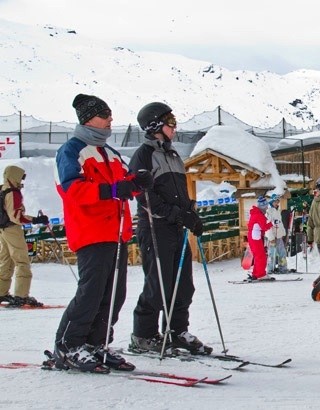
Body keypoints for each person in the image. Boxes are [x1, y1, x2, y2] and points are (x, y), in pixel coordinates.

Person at [53, 94, 151, 373]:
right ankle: (68, 345)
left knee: (114, 294)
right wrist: (112, 190)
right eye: (105, 114)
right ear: (88, 119)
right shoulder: (73, 151)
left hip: (116, 232)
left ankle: (96, 344)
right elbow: (73, 190)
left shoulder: (110, 153)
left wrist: (137, 182)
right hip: (91, 231)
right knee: (91, 292)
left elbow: (123, 185)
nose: (110, 119)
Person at [127, 102, 210, 357]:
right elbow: (144, 196)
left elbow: (181, 194)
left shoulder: (173, 156)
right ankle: (144, 334)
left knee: (183, 285)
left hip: (176, 227)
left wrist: (190, 214)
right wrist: (176, 214)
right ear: (154, 126)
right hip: (156, 227)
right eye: (170, 122)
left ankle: (176, 331)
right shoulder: (143, 155)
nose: (174, 127)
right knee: (158, 284)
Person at [0, 165, 49, 307]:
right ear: (14, 175)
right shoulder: (13, 193)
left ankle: (1, 291)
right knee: (22, 261)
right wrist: (35, 220)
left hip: (3, 230)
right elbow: (16, 216)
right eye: (21, 177)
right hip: (12, 229)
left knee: (6, 261)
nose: (22, 180)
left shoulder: (2, 189)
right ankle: (21, 295)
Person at [247, 196, 273, 280]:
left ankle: (256, 273)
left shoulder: (256, 213)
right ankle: (261, 274)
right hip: (255, 237)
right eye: (266, 207)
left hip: (254, 236)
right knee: (261, 256)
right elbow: (264, 227)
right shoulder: (258, 214)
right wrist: (271, 223)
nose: (266, 209)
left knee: (258, 256)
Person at [265, 194, 288, 274]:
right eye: (275, 201)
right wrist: (271, 237)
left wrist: (283, 233)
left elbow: (279, 223)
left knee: (282, 252)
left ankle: (283, 268)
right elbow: (267, 225)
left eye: (278, 201)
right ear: (272, 201)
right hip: (272, 236)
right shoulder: (269, 211)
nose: (277, 203)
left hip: (278, 236)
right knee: (272, 253)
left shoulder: (277, 210)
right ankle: (270, 269)